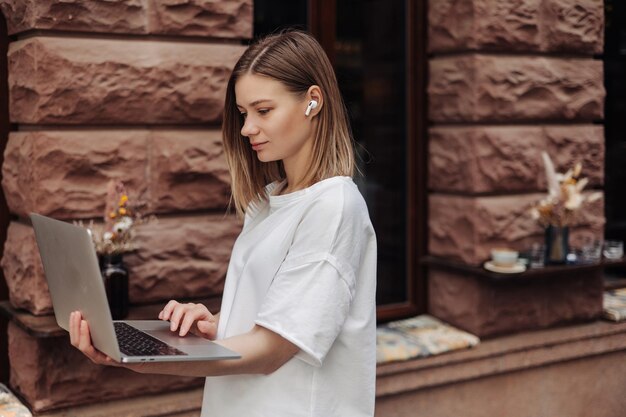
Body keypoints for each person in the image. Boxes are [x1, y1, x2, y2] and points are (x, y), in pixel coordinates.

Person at [69, 29, 377, 417]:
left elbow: (272, 350)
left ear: (312, 102)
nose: (247, 127)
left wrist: (135, 357)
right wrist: (216, 323)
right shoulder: (268, 202)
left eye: (263, 111)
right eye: (244, 113)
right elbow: (281, 315)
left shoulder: (334, 206)